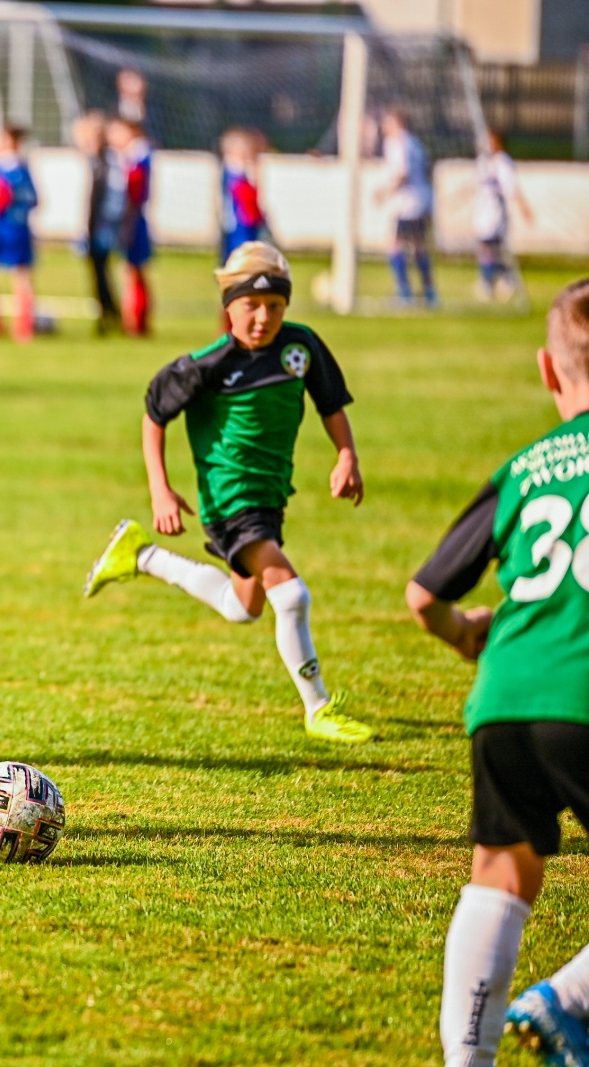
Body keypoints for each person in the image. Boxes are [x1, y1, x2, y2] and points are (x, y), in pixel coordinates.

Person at [83, 241, 375, 745]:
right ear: (229, 307)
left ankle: (143, 556)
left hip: (268, 497)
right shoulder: (208, 364)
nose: (263, 318)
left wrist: (346, 454)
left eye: (275, 307)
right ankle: (318, 707)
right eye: (251, 307)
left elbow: (331, 404)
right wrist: (161, 490)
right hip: (228, 498)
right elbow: (155, 414)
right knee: (292, 593)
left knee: (245, 607)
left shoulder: (300, 348)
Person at [407, 278, 589, 1067]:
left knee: (501, 872)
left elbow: (423, 596)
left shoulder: (525, 466)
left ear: (549, 369)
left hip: (506, 694)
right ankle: (567, 1001)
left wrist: (466, 635)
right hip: (583, 690)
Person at [0, 125, 39, 343]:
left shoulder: (11, 169)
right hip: (4, 229)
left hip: (9, 230)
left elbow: (26, 199)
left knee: (19, 277)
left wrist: (7, 205)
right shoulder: (8, 168)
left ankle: (22, 327)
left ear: (9, 141)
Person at [378, 108, 437, 307]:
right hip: (421, 201)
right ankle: (429, 292)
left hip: (407, 204)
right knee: (419, 248)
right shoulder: (414, 142)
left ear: (397, 123)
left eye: (387, 121)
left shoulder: (396, 142)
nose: (384, 126)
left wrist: (384, 192)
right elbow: (428, 169)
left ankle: (405, 293)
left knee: (396, 246)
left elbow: (402, 174)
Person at [74, 111, 120, 336]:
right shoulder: (98, 162)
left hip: (101, 228)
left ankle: (109, 315)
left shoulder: (105, 163)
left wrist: (100, 226)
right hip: (96, 226)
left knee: (101, 272)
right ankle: (109, 314)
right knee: (99, 272)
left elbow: (107, 199)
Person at [474, 129, 533, 302]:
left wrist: (524, 208)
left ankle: (499, 280)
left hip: (495, 214)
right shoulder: (482, 162)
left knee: (492, 248)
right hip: (481, 212)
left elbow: (512, 188)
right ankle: (495, 280)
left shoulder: (502, 162)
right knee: (485, 249)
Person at [108, 117, 154, 336]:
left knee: (132, 271)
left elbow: (133, 195)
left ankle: (135, 322)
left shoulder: (137, 160)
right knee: (135, 271)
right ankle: (137, 321)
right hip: (135, 218)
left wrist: (126, 222)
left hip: (133, 220)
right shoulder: (137, 157)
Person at [219, 127, 267, 264]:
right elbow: (244, 195)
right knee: (239, 255)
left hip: (248, 221)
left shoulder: (243, 172)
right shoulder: (232, 172)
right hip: (238, 222)